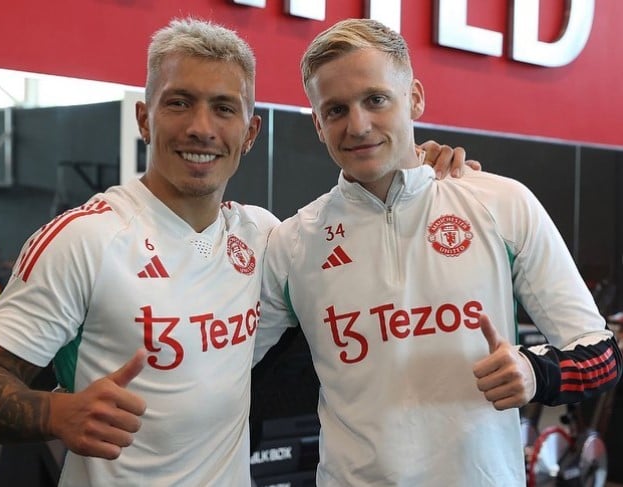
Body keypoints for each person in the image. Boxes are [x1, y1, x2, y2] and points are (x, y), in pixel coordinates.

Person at [0, 17, 472, 487]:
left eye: (223, 108)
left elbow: (370, 232)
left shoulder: (263, 238)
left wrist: (422, 171)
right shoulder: (82, 239)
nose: (201, 127)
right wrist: (53, 414)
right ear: (144, 119)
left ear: (250, 132)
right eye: (179, 102)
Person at [254, 18, 623, 486]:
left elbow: (602, 355)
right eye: (336, 110)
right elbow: (220, 368)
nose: (358, 125)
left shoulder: (501, 204)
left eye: (376, 99)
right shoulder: (292, 242)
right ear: (318, 125)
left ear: (415, 98)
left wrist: (536, 373)